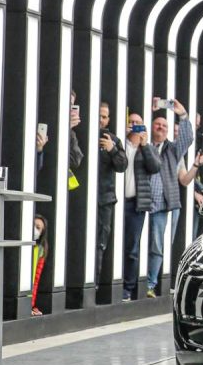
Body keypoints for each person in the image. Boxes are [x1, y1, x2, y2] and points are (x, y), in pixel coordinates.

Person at [145, 97, 194, 297]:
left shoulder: (173, 150)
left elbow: (187, 138)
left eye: (165, 126)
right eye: (157, 124)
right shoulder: (143, 145)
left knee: (157, 246)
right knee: (136, 245)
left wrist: (183, 115)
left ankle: (150, 284)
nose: (161, 128)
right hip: (141, 203)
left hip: (164, 205)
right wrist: (148, 109)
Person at [121, 129, 160, 301]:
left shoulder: (147, 149)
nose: (134, 127)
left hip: (136, 204)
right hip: (117, 202)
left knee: (132, 247)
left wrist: (144, 146)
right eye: (132, 123)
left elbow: (155, 167)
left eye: (138, 125)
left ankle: (128, 287)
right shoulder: (120, 145)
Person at [94, 102, 128, 286]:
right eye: (99, 115)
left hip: (105, 200)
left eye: (104, 117)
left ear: (108, 120)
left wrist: (112, 149)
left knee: (100, 242)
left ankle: (96, 283)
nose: (101, 120)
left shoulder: (112, 139)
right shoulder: (82, 133)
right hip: (82, 199)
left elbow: (122, 165)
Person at [30, 215, 48, 316]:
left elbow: (36, 281)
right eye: (33, 225)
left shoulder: (40, 250)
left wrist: (30, 305)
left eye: (38, 228)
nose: (34, 229)